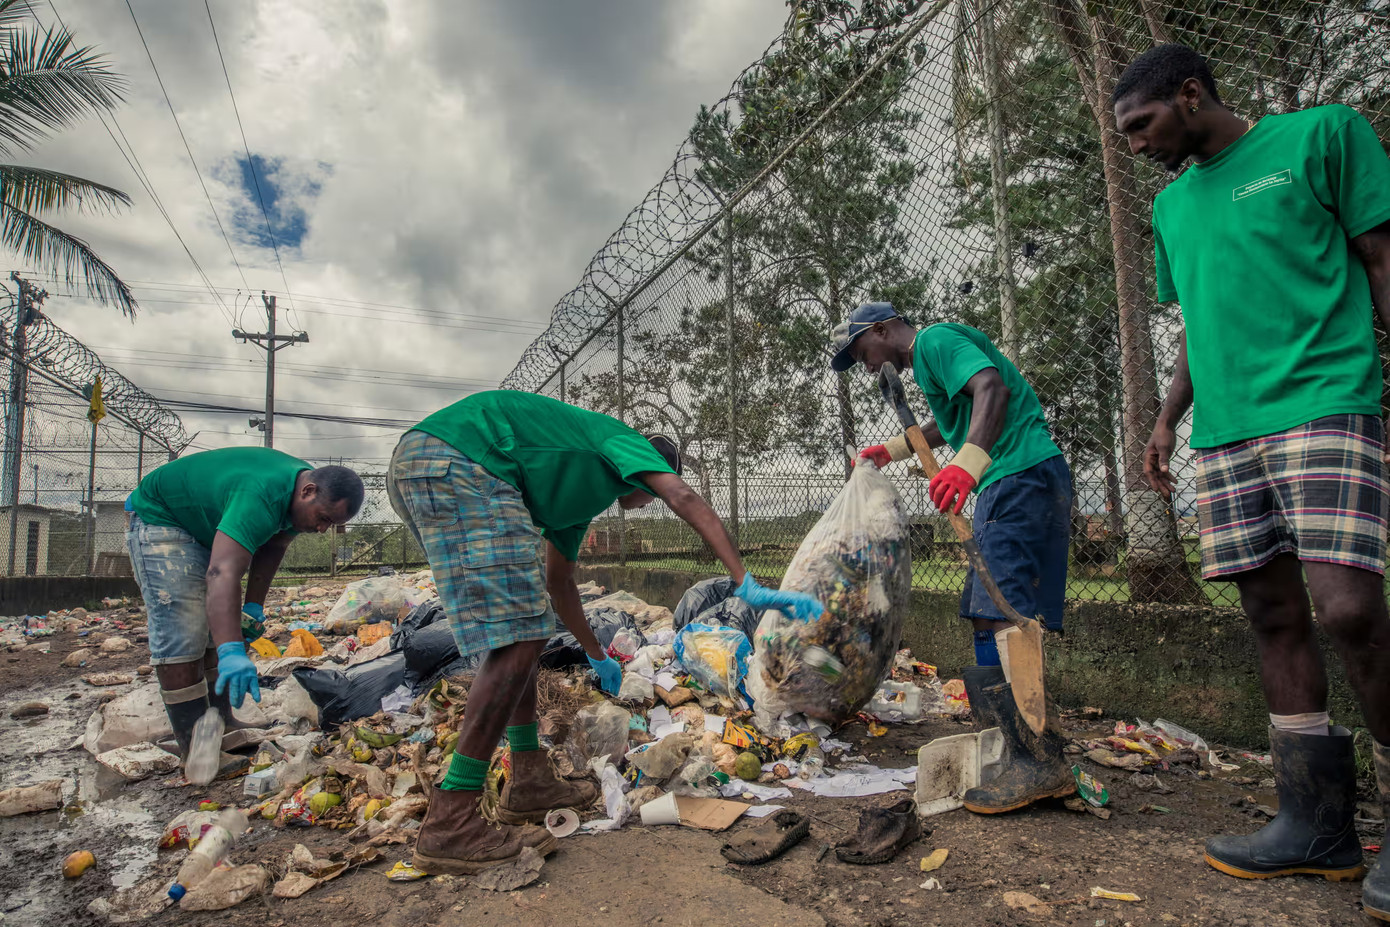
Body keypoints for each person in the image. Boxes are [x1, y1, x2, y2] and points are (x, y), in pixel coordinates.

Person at [1113, 43, 1390, 913]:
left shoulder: (1323, 137)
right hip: (1227, 431)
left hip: (1325, 401)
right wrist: (1166, 420)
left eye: (1142, 125)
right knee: (1271, 613)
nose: (1135, 145)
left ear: (1191, 95)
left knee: (1346, 606)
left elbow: (1381, 261)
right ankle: (1315, 824)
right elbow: (1198, 318)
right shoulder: (1172, 207)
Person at [388, 389, 823, 875]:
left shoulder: (572, 501)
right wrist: (745, 582)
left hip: (438, 462)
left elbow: (559, 584)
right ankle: (451, 820)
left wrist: (597, 654)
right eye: (653, 485)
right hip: (462, 459)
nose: (654, 496)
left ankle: (528, 779)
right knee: (516, 638)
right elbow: (683, 496)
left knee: (525, 632)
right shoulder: (626, 442)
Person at [831, 301, 1074, 813]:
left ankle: (1030, 759)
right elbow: (955, 419)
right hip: (1029, 475)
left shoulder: (935, 341)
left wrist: (967, 466)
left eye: (863, 352)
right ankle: (1021, 747)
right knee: (1009, 615)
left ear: (881, 330)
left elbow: (992, 389)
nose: (868, 366)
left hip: (1016, 475)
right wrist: (893, 448)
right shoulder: (926, 365)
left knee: (995, 612)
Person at [126, 449, 364, 756]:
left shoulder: (300, 495)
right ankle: (197, 751)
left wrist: (252, 609)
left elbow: (273, 547)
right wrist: (232, 650)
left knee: (216, 629)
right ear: (308, 492)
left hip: (203, 524)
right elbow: (222, 573)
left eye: (330, 525)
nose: (322, 530)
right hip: (162, 518)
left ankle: (223, 722)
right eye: (323, 519)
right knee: (183, 630)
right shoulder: (261, 495)